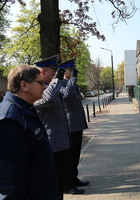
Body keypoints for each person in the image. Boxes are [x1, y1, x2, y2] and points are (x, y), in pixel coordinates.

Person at [0, 65, 60, 199]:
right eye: (40, 82)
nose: (44, 87)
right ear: (24, 85)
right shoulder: (10, 120)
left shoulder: (25, 109)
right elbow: (9, 183)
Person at [33, 55, 71, 199]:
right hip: (52, 143)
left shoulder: (52, 85)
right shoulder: (39, 89)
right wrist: (58, 79)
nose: (57, 74)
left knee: (60, 179)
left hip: (61, 140)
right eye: (54, 71)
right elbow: (48, 99)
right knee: (54, 182)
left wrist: (64, 78)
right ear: (43, 73)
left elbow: (65, 92)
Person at [59, 59, 89, 194]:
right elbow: (66, 97)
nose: (73, 72)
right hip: (70, 125)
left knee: (76, 154)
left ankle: (74, 178)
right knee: (70, 156)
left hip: (76, 124)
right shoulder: (61, 84)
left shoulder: (70, 83)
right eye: (71, 70)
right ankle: (68, 184)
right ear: (64, 71)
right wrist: (72, 80)